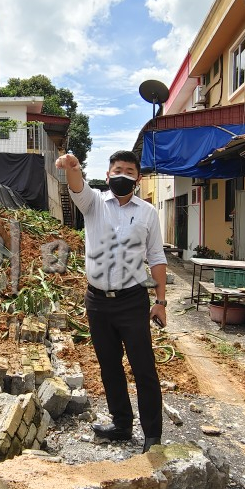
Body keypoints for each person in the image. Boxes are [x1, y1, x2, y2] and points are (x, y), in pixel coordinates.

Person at [55, 149, 167, 453]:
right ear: (107, 175)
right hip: (98, 302)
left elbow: (156, 256)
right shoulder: (93, 203)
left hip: (132, 301)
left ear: (138, 179)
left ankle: (153, 435)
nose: (123, 176)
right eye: (117, 170)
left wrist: (161, 301)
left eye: (129, 172)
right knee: (109, 365)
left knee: (143, 367)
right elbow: (76, 184)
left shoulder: (147, 213)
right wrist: (72, 165)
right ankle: (121, 424)